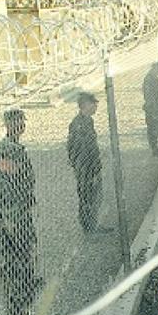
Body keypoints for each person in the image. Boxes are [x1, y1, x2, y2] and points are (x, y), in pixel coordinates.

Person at [0, 127, 41, 315]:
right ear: (3, 160)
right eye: (15, 162)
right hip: (7, 242)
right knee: (15, 285)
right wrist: (25, 246)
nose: (18, 166)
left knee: (23, 281)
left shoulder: (6, 178)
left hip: (15, 238)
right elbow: (12, 219)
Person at [67, 92, 104, 233]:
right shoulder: (78, 124)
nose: (96, 106)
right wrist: (86, 170)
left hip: (92, 166)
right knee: (87, 197)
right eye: (93, 103)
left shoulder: (88, 121)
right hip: (85, 168)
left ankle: (93, 224)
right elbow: (78, 150)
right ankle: (88, 228)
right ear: (86, 105)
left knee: (95, 197)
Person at [142, 65, 158, 156]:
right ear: (154, 68)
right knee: (153, 130)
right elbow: (149, 98)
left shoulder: (154, 78)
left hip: (157, 108)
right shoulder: (149, 80)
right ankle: (155, 150)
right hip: (153, 110)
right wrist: (154, 111)